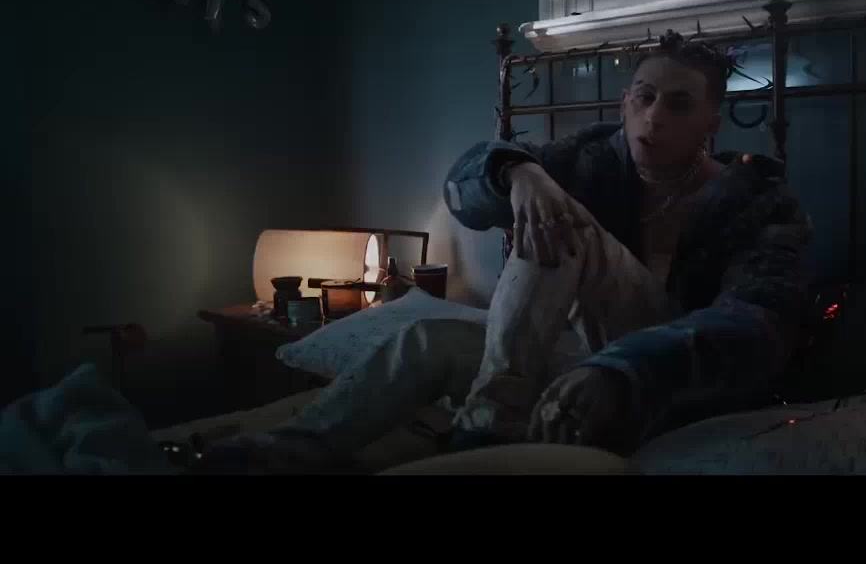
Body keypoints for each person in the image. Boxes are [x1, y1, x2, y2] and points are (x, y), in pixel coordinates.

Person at [197, 31, 812, 472]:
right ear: (626, 101)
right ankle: (280, 452)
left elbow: (758, 321)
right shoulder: (594, 159)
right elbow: (462, 188)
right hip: (569, 359)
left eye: (679, 104)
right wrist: (519, 173)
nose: (653, 117)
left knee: (563, 226)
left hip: (664, 381)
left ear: (712, 120)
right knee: (429, 338)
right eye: (644, 96)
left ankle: (485, 427)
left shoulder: (754, 198)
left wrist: (625, 368)